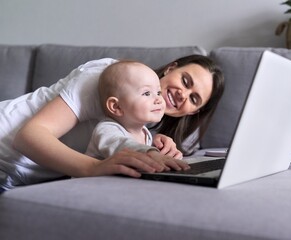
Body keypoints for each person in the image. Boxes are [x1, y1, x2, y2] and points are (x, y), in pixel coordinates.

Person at [0, 54, 224, 191]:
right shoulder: (104, 77)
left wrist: (147, 142)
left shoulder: (139, 118)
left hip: (19, 182)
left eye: (194, 98)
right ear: (170, 68)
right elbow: (29, 136)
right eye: (185, 81)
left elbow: (106, 134)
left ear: (193, 111)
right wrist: (94, 167)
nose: (182, 95)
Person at [85, 60, 186, 171]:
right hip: (90, 184)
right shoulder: (106, 130)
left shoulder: (144, 132)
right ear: (116, 107)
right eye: (146, 93)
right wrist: (152, 153)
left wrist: (167, 153)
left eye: (158, 92)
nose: (158, 99)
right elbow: (123, 145)